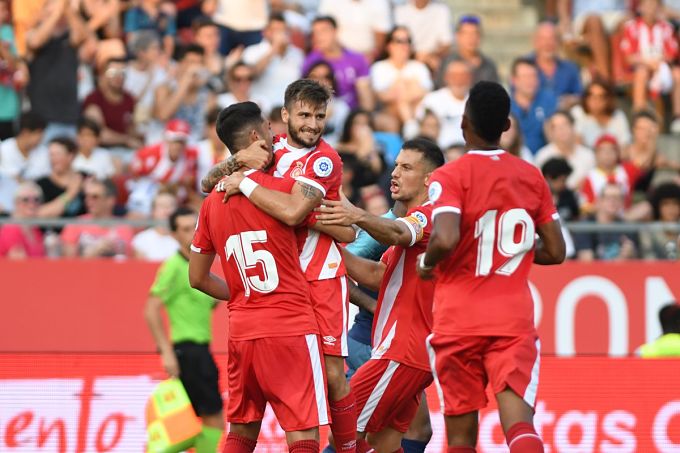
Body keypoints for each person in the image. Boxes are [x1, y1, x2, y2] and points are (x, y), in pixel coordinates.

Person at [206, 82, 358, 452]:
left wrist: (249, 185)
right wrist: (236, 163)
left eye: (320, 116)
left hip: (320, 276)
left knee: (334, 376)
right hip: (285, 285)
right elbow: (208, 183)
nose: (313, 124)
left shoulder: (323, 160)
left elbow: (304, 217)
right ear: (284, 117)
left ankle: (354, 449)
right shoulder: (270, 155)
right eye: (305, 115)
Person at [416, 81, 566, 453]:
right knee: (519, 425)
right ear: (506, 127)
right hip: (511, 321)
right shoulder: (532, 176)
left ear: (464, 123)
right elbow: (557, 250)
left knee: (463, 438)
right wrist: (515, 257)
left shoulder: (449, 176)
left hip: (458, 320)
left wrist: (426, 262)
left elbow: (446, 237)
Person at [188, 102, 328, 453]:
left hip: (242, 332)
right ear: (255, 136)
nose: (273, 135)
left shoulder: (210, 204)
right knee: (303, 434)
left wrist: (239, 293)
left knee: (241, 430)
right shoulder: (281, 189)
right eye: (267, 128)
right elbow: (342, 233)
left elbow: (198, 278)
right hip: (289, 326)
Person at [317, 137, 445, 453]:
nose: (395, 173)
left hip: (401, 352)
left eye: (406, 167)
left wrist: (355, 215)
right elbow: (376, 275)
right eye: (396, 165)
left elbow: (398, 232)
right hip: (406, 352)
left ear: (429, 178)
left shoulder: (429, 216)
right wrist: (324, 246)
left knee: (342, 432)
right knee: (386, 441)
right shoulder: (419, 223)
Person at [145, 206, 224, 453]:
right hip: (189, 351)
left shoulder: (198, 266)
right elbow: (150, 308)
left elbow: (210, 303)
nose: (192, 234)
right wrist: (166, 351)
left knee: (194, 423)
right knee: (213, 420)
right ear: (174, 235)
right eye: (185, 229)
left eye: (196, 227)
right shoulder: (175, 266)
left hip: (198, 349)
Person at [25, 0, 87, 142]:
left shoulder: (71, 37)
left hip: (69, 117)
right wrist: (57, 13)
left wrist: (68, 10)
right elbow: (35, 42)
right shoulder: (34, 33)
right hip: (42, 120)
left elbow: (81, 36)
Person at [620, 0, 680, 128]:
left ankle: (677, 117)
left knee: (678, 74)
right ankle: (638, 114)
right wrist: (648, 62)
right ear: (641, 7)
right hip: (639, 67)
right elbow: (628, 56)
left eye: (654, 6)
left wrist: (659, 62)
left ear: (660, 8)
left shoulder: (666, 27)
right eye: (647, 5)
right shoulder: (632, 27)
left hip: (662, 67)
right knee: (642, 72)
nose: (651, 9)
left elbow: (672, 53)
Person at [302, 16, 373, 110]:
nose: (319, 36)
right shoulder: (311, 62)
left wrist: (364, 117)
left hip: (352, 114)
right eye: (315, 33)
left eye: (324, 31)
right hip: (323, 113)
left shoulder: (357, 59)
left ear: (335, 31)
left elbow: (366, 97)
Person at [370, 26, 433, 127]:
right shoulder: (379, 67)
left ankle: (410, 125)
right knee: (401, 86)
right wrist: (401, 86)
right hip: (390, 111)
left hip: (416, 107)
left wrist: (403, 93)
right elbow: (381, 96)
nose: (405, 45)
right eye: (399, 41)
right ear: (389, 45)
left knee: (408, 86)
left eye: (408, 41)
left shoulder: (419, 66)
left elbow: (426, 92)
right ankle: (411, 125)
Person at [61, 178, 134, 258]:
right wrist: (92, 253)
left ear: (110, 200)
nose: (88, 200)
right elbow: (68, 262)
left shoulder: (124, 227)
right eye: (87, 196)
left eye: (95, 197)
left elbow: (128, 260)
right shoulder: (75, 224)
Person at [242, 13, 304, 104]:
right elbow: (252, 74)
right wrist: (274, 49)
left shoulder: (298, 54)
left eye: (284, 30)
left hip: (287, 109)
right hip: (261, 108)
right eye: (276, 30)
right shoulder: (252, 52)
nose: (281, 34)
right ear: (265, 32)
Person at [82, 57, 140, 149]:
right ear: (103, 75)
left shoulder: (129, 98)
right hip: (101, 150)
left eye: (122, 73)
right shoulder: (93, 99)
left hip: (126, 150)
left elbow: (130, 126)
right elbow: (98, 134)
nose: (118, 76)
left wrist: (139, 136)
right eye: (113, 73)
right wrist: (126, 139)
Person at [413, 58, 471, 149]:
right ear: (446, 77)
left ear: (470, 78)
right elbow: (419, 128)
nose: (459, 80)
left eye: (463, 75)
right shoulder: (432, 100)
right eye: (454, 76)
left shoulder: (477, 102)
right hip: (440, 153)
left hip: (469, 153)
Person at [574, 182, 638, 261]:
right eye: (608, 197)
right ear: (599, 200)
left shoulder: (627, 227)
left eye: (617, 198)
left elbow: (638, 261)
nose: (613, 201)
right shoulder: (586, 226)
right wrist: (621, 259)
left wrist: (630, 254)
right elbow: (586, 262)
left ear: (622, 202)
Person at [526, 21, 583, 109]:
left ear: (559, 42)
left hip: (564, 115)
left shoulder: (570, 68)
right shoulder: (524, 67)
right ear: (535, 42)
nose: (548, 44)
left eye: (552, 39)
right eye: (543, 39)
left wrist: (572, 100)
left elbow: (580, 95)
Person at [534, 110, 595, 190]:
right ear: (551, 132)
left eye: (565, 124)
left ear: (573, 127)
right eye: (556, 126)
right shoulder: (542, 156)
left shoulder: (588, 156)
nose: (561, 129)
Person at [510, 57, 558, 155]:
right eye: (525, 77)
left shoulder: (549, 100)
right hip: (515, 158)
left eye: (533, 76)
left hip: (545, 158)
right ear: (514, 80)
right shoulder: (505, 105)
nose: (530, 81)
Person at [318, 0, 391, 60]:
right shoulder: (330, 2)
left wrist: (371, 57)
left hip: (369, 58)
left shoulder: (379, 2)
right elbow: (323, 30)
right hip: (338, 56)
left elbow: (381, 35)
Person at [438, 15, 499, 87]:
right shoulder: (448, 62)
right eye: (466, 34)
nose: (471, 38)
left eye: (475, 33)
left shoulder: (489, 66)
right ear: (458, 36)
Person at [394, 0, 453, 72]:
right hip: (408, 57)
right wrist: (416, 57)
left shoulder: (442, 10)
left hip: (433, 58)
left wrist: (428, 57)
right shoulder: (400, 10)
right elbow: (397, 41)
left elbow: (446, 44)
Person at [570, 80, 631, 149]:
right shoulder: (577, 113)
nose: (596, 101)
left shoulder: (618, 116)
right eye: (591, 96)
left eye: (601, 96)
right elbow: (575, 145)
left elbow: (625, 145)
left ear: (608, 99)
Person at [35, 137, 86, 218]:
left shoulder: (86, 178)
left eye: (58, 154)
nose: (53, 159)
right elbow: (39, 214)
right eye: (51, 155)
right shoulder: (41, 184)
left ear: (70, 156)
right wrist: (70, 193)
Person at [0, 181, 45, 258]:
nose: (32, 204)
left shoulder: (35, 229)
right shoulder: (11, 229)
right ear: (16, 202)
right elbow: (19, 266)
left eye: (36, 199)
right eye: (25, 200)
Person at [0, 111, 48, 181]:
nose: (41, 137)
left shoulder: (43, 151)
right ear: (25, 132)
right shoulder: (4, 149)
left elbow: (44, 177)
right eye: (38, 133)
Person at [132, 190, 179, 260]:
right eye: (162, 206)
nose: (166, 210)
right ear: (153, 211)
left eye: (170, 206)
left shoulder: (183, 240)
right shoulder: (141, 240)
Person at [640, 182, 680, 260]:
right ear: (658, 207)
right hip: (656, 271)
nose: (671, 208)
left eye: (675, 203)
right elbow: (649, 259)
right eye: (666, 204)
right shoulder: (648, 231)